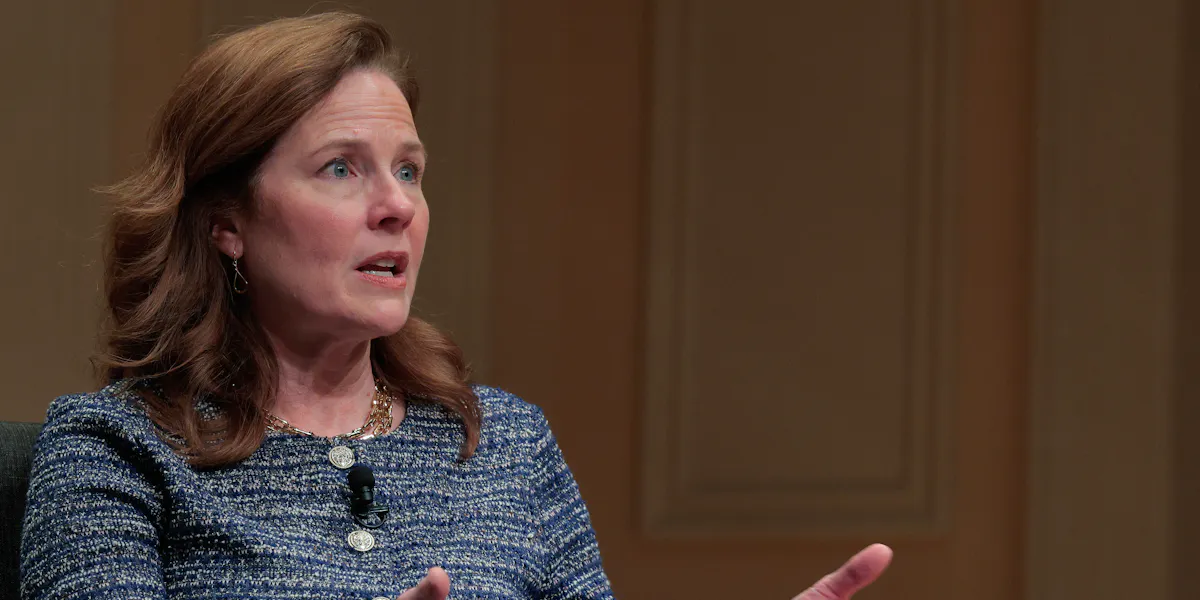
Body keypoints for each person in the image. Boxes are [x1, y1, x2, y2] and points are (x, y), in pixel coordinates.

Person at [18, 12, 892, 600]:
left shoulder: (504, 443)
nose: (396, 204)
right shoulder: (116, 449)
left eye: (409, 169)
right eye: (340, 168)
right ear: (226, 223)